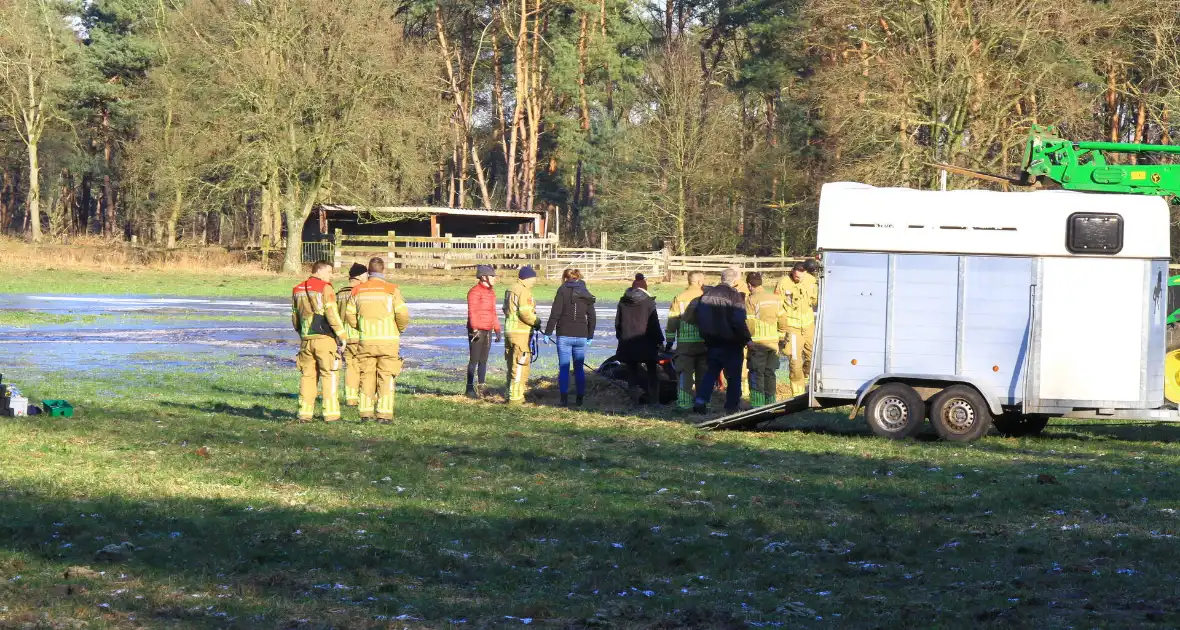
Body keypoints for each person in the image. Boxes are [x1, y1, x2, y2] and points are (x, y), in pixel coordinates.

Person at [343, 257, 410, 423]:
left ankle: (365, 413)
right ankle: (384, 415)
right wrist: (399, 329)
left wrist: (360, 327)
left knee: (366, 376)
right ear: (383, 270)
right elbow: (402, 314)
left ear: (368, 271)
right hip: (388, 342)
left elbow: (349, 315)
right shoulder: (392, 290)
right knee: (386, 377)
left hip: (366, 340)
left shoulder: (357, 291)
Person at [291, 261, 347, 423]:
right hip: (324, 339)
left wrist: (301, 333)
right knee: (329, 374)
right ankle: (331, 414)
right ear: (320, 271)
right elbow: (331, 313)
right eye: (329, 272)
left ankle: (304, 413)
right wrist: (341, 335)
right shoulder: (325, 287)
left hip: (306, 340)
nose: (331, 276)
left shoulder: (297, 289)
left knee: (307, 376)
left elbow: (295, 316)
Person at [690, 267, 751, 414]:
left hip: (712, 342)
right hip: (731, 343)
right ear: (735, 280)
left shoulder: (706, 295)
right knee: (734, 376)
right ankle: (731, 407)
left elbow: (698, 317)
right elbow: (738, 321)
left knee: (710, 373)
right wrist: (746, 339)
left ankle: (700, 401)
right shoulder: (735, 296)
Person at [544, 268, 596, 406]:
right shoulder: (586, 292)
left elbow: (555, 313)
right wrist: (590, 335)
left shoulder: (561, 290)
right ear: (578, 277)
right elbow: (592, 316)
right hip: (581, 334)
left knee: (564, 368)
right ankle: (580, 399)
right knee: (579, 369)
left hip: (564, 334)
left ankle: (564, 399)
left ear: (565, 278)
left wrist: (548, 332)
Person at [615, 273, 665, 404]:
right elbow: (654, 324)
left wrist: (621, 338)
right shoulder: (648, 303)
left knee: (632, 373)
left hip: (628, 342)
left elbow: (617, 324)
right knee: (652, 373)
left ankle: (634, 402)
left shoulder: (622, 302)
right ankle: (654, 402)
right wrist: (660, 340)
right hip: (647, 343)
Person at [744, 272, 790, 407]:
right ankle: (771, 404)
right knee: (770, 373)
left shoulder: (751, 300)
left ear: (749, 285)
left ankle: (757, 405)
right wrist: (781, 337)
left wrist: (748, 339)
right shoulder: (775, 298)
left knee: (756, 373)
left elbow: (750, 323)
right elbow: (783, 320)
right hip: (773, 343)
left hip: (757, 344)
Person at [665, 271, 707, 411]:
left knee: (684, 374)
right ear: (700, 282)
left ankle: (684, 404)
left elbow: (672, 320)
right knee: (704, 375)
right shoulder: (705, 296)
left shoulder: (680, 298)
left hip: (685, 344)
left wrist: (670, 340)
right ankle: (703, 403)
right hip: (704, 343)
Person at [503, 265, 541, 404]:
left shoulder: (510, 289)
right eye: (533, 279)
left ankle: (509, 394)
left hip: (509, 332)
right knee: (520, 365)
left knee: (511, 365)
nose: (534, 282)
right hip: (521, 334)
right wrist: (536, 321)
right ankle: (516, 398)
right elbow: (525, 313)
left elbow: (504, 309)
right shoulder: (524, 292)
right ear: (527, 278)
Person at [774, 263, 812, 396]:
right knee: (795, 363)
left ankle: (807, 379)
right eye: (796, 276)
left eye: (801, 276)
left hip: (808, 327)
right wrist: (781, 327)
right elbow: (777, 305)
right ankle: (798, 394)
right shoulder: (783, 283)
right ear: (792, 271)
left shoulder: (811, 280)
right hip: (792, 327)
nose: (798, 279)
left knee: (812, 358)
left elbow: (816, 300)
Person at [465, 264, 501, 399]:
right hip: (477, 330)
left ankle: (481, 387)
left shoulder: (491, 292)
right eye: (492, 276)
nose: (495, 278)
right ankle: (469, 388)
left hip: (488, 329)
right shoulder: (474, 292)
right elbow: (472, 312)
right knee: (474, 359)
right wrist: (474, 329)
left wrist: (497, 329)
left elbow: (493, 312)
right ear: (484, 277)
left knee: (484, 360)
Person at [336, 263, 368, 407]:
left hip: (344, 337)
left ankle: (350, 398)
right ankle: (364, 397)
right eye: (366, 275)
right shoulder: (361, 292)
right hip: (360, 336)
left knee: (350, 368)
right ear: (360, 276)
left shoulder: (340, 293)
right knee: (364, 368)